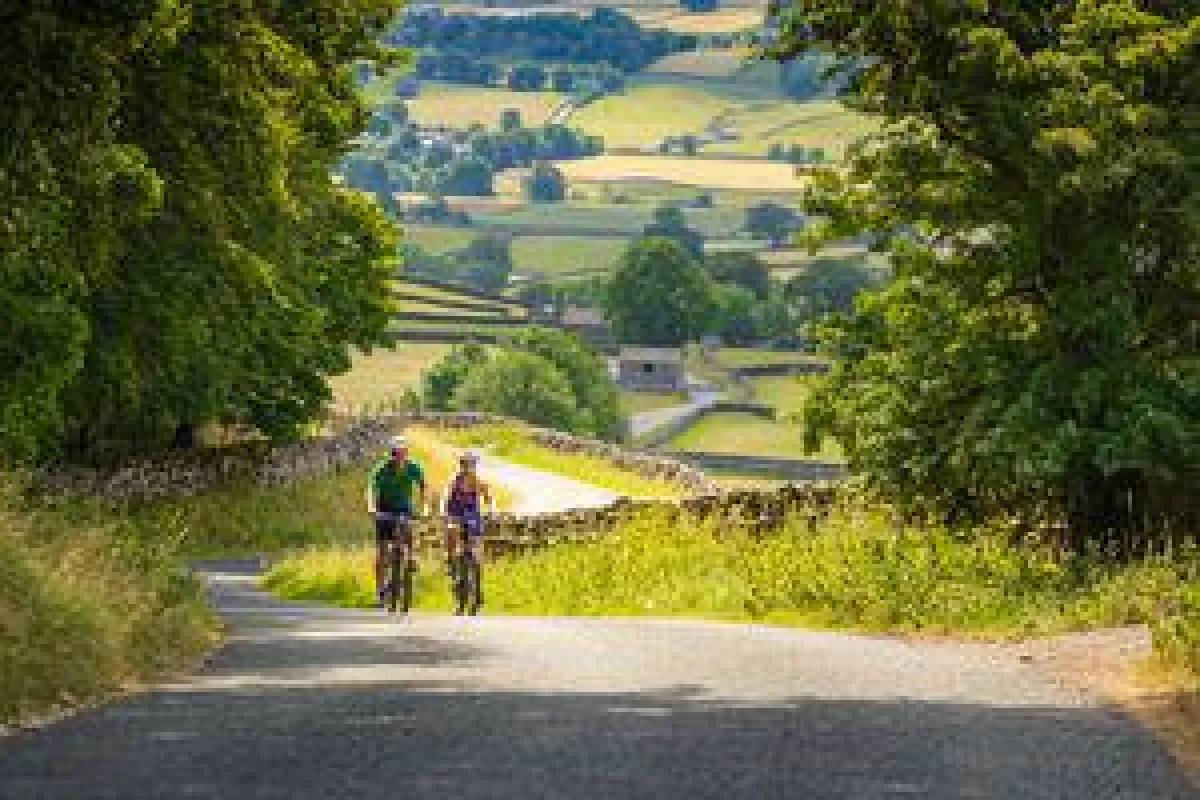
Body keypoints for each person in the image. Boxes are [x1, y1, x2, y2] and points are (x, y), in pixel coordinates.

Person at [366, 435, 427, 606]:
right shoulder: (381, 469)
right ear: (390, 454)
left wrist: (424, 507)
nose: (399, 457)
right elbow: (371, 489)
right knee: (382, 551)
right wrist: (371, 508)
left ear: (407, 453)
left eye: (402, 453)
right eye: (395, 453)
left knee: (408, 534)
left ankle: (411, 559)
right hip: (384, 508)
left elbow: (424, 488)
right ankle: (380, 592)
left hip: (404, 508)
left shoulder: (414, 467)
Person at [442, 449, 495, 584]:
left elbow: (488, 497)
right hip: (455, 510)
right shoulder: (455, 480)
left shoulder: (478, 481)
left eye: (471, 464)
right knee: (451, 531)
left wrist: (490, 511)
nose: (468, 467)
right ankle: (451, 561)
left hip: (472, 512)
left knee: (475, 541)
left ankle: (475, 571)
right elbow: (447, 498)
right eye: (465, 464)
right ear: (461, 465)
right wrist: (446, 515)